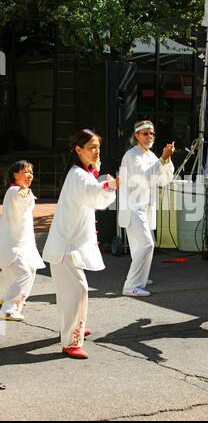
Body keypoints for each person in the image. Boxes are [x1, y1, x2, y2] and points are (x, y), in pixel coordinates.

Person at [42, 129, 120, 359]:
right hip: (66, 247)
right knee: (77, 291)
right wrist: (111, 184)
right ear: (78, 150)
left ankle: (74, 326)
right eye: (91, 147)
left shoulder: (80, 173)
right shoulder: (78, 176)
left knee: (71, 293)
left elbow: (93, 191)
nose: (97, 152)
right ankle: (71, 340)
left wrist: (104, 182)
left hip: (68, 246)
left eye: (98, 147)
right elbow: (94, 193)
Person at [118, 120, 174, 297]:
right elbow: (145, 177)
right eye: (145, 133)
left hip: (146, 207)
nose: (149, 137)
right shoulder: (132, 155)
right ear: (137, 136)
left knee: (140, 246)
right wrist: (163, 159)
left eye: (152, 133)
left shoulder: (150, 155)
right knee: (146, 244)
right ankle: (131, 285)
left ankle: (141, 278)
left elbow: (164, 179)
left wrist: (167, 159)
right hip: (133, 206)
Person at [0, 160, 45, 322]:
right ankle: (9, 309)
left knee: (28, 270)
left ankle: (9, 298)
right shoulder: (15, 191)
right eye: (25, 172)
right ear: (15, 174)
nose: (29, 175)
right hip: (14, 243)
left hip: (22, 242)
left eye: (31, 172)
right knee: (24, 273)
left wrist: (26, 195)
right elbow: (22, 201)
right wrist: (24, 195)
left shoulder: (21, 191)